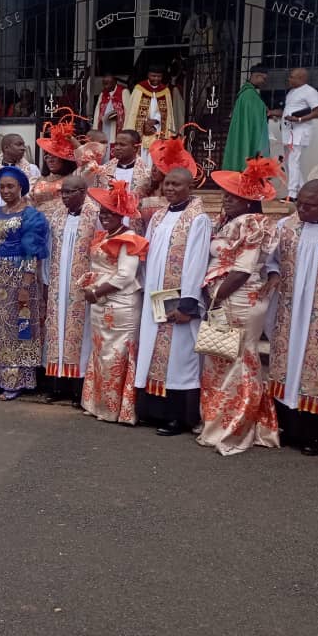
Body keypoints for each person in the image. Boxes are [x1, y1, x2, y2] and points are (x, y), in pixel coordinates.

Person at [196, 156, 282, 455]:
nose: (227, 200)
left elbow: (243, 269)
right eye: (226, 196)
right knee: (225, 357)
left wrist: (217, 297)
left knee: (238, 358)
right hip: (228, 296)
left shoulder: (251, 224)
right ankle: (225, 418)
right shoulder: (232, 221)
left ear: (249, 201)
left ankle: (236, 424)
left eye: (235, 197)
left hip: (240, 297)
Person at [265, 179, 318, 455]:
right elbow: (270, 260)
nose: (301, 208)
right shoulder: (285, 227)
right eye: (299, 202)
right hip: (289, 308)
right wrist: (273, 273)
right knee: (287, 366)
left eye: (309, 205)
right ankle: (289, 428)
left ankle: (316, 434)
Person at [134, 140, 211, 435]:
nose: (170, 189)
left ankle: (179, 417)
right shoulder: (160, 216)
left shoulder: (199, 219)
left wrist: (188, 304)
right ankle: (152, 410)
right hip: (156, 294)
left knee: (179, 357)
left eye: (177, 185)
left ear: (189, 187)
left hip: (179, 299)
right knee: (153, 352)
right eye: (167, 183)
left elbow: (195, 262)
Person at [77, 182, 148, 424]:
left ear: (122, 215)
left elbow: (125, 276)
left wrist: (96, 292)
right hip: (100, 302)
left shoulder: (129, 239)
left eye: (111, 213)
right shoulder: (106, 236)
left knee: (116, 353)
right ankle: (99, 404)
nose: (105, 217)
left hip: (120, 304)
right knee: (101, 351)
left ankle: (116, 408)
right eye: (103, 213)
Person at [0, 166, 49, 400]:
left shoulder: (31, 215)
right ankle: (0, 378)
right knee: (0, 327)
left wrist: (26, 283)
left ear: (21, 187)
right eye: (2, 187)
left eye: (10, 186)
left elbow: (32, 252)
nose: (6, 191)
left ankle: (20, 380)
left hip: (20, 276)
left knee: (21, 326)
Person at [42, 175, 100, 406]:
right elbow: (49, 249)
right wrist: (47, 280)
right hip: (58, 283)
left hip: (81, 286)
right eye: (62, 192)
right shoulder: (56, 214)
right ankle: (57, 386)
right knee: (57, 332)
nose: (64, 196)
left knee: (81, 334)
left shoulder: (94, 215)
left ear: (84, 191)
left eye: (70, 192)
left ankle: (78, 388)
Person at [269, 67, 318, 198]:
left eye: (292, 76)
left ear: (301, 78)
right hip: (288, 131)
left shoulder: (310, 91)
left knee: (293, 161)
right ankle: (303, 191)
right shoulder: (291, 92)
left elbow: (317, 111)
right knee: (288, 162)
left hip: (300, 131)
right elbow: (287, 111)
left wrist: (299, 119)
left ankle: (292, 194)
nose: (289, 79)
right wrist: (273, 113)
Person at [0, 133, 41, 214]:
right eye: (19, 145)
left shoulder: (32, 170)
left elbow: (38, 198)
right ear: (6, 148)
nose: (23, 148)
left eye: (23, 145)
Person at [124, 65, 176, 167]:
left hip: (158, 129)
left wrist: (156, 121)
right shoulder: (139, 89)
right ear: (148, 75)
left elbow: (168, 114)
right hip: (141, 130)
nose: (156, 79)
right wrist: (145, 123)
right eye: (153, 76)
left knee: (156, 155)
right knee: (142, 155)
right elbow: (133, 112)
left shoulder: (165, 91)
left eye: (159, 76)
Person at [221, 64, 271, 171]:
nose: (264, 82)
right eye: (264, 78)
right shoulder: (249, 95)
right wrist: (267, 110)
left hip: (246, 133)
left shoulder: (246, 93)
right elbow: (256, 119)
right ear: (257, 76)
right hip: (250, 135)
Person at [32, 118, 79, 215]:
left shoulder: (74, 178)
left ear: (64, 159)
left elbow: (90, 165)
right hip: (38, 224)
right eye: (47, 156)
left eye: (55, 156)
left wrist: (75, 143)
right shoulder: (39, 180)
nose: (50, 159)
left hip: (61, 223)